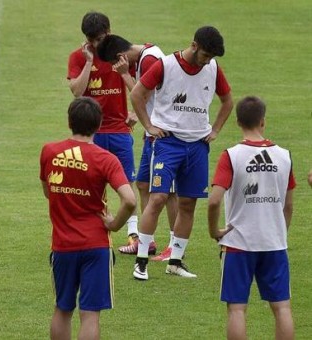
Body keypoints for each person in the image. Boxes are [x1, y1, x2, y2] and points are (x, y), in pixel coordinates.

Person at [130, 26, 233, 280]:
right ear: (194, 45)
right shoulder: (166, 65)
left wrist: (216, 130)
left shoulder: (213, 68)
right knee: (158, 198)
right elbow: (137, 94)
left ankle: (175, 261)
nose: (207, 61)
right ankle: (141, 262)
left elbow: (228, 100)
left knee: (188, 203)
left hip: (198, 145)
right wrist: (149, 126)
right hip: (168, 143)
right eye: (205, 55)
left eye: (211, 57)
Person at [40, 97, 136, 340]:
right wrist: (114, 225)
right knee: (90, 314)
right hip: (95, 244)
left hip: (62, 244)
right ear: (99, 124)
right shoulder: (105, 159)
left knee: (62, 309)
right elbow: (130, 200)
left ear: (69, 121)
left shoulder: (49, 152)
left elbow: (48, 191)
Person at [208, 96, 295, 340]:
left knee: (237, 309)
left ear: (237, 122)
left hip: (238, 244)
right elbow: (288, 206)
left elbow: (214, 200)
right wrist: (279, 231)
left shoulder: (231, 156)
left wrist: (214, 230)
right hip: (274, 242)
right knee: (282, 307)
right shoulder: (284, 156)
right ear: (263, 121)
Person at [67, 11, 145, 255]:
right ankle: (92, 232)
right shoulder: (78, 57)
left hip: (120, 130)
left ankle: (134, 237)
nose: (97, 45)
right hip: (91, 133)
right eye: (92, 41)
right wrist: (89, 62)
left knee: (126, 183)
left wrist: (136, 112)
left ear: (109, 33)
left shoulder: (123, 55)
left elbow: (143, 87)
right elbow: (77, 91)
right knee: (91, 184)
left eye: (100, 39)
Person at [96, 34, 178, 261]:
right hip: (151, 131)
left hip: (162, 132)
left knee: (169, 192)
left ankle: (174, 245)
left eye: (114, 63)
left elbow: (141, 94)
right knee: (142, 184)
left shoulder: (150, 60)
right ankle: (146, 241)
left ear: (120, 57)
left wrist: (123, 74)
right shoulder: (143, 56)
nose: (115, 68)